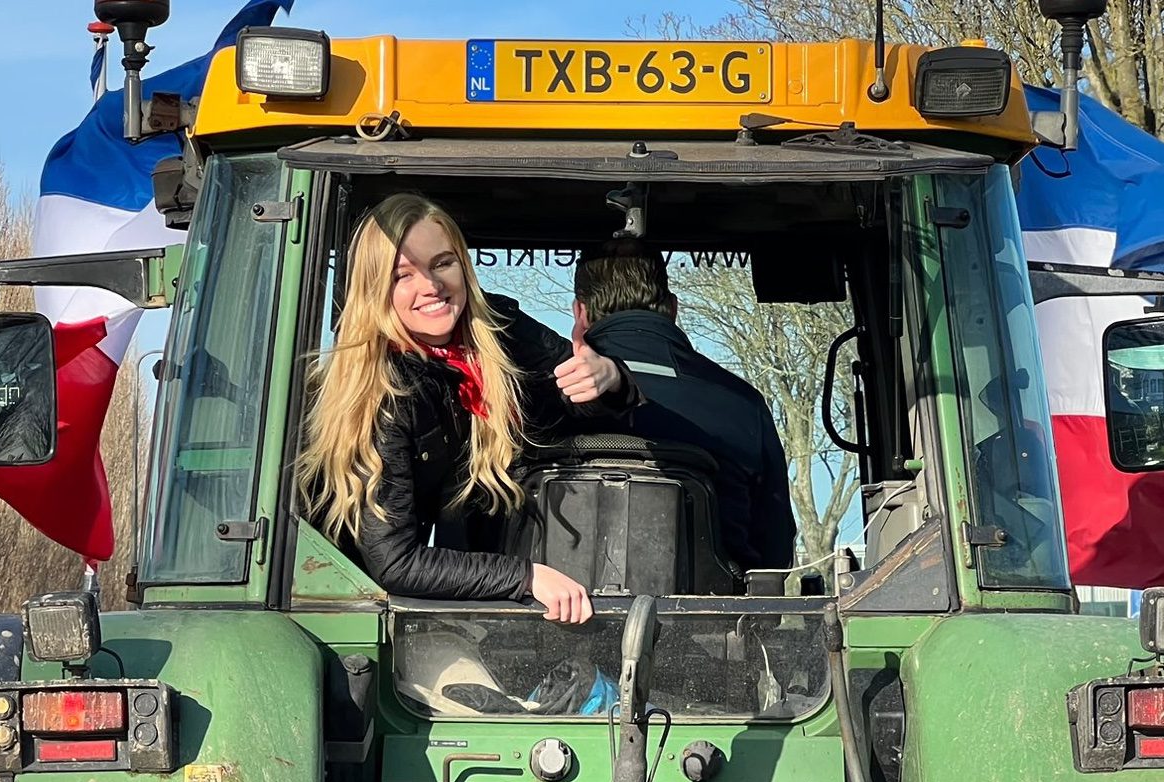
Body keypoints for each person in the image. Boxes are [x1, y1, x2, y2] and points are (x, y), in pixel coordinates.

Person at [297, 194, 639, 624]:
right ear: (373, 289)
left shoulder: (497, 330)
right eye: (403, 275)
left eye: (442, 263)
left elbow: (569, 409)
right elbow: (395, 562)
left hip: (445, 599)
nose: (431, 286)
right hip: (350, 610)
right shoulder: (380, 390)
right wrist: (528, 577)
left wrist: (609, 378)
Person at [571, 238, 797, 572]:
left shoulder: (536, 396)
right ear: (673, 308)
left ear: (581, 313)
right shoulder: (743, 404)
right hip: (717, 617)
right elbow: (774, 552)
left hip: (546, 614)